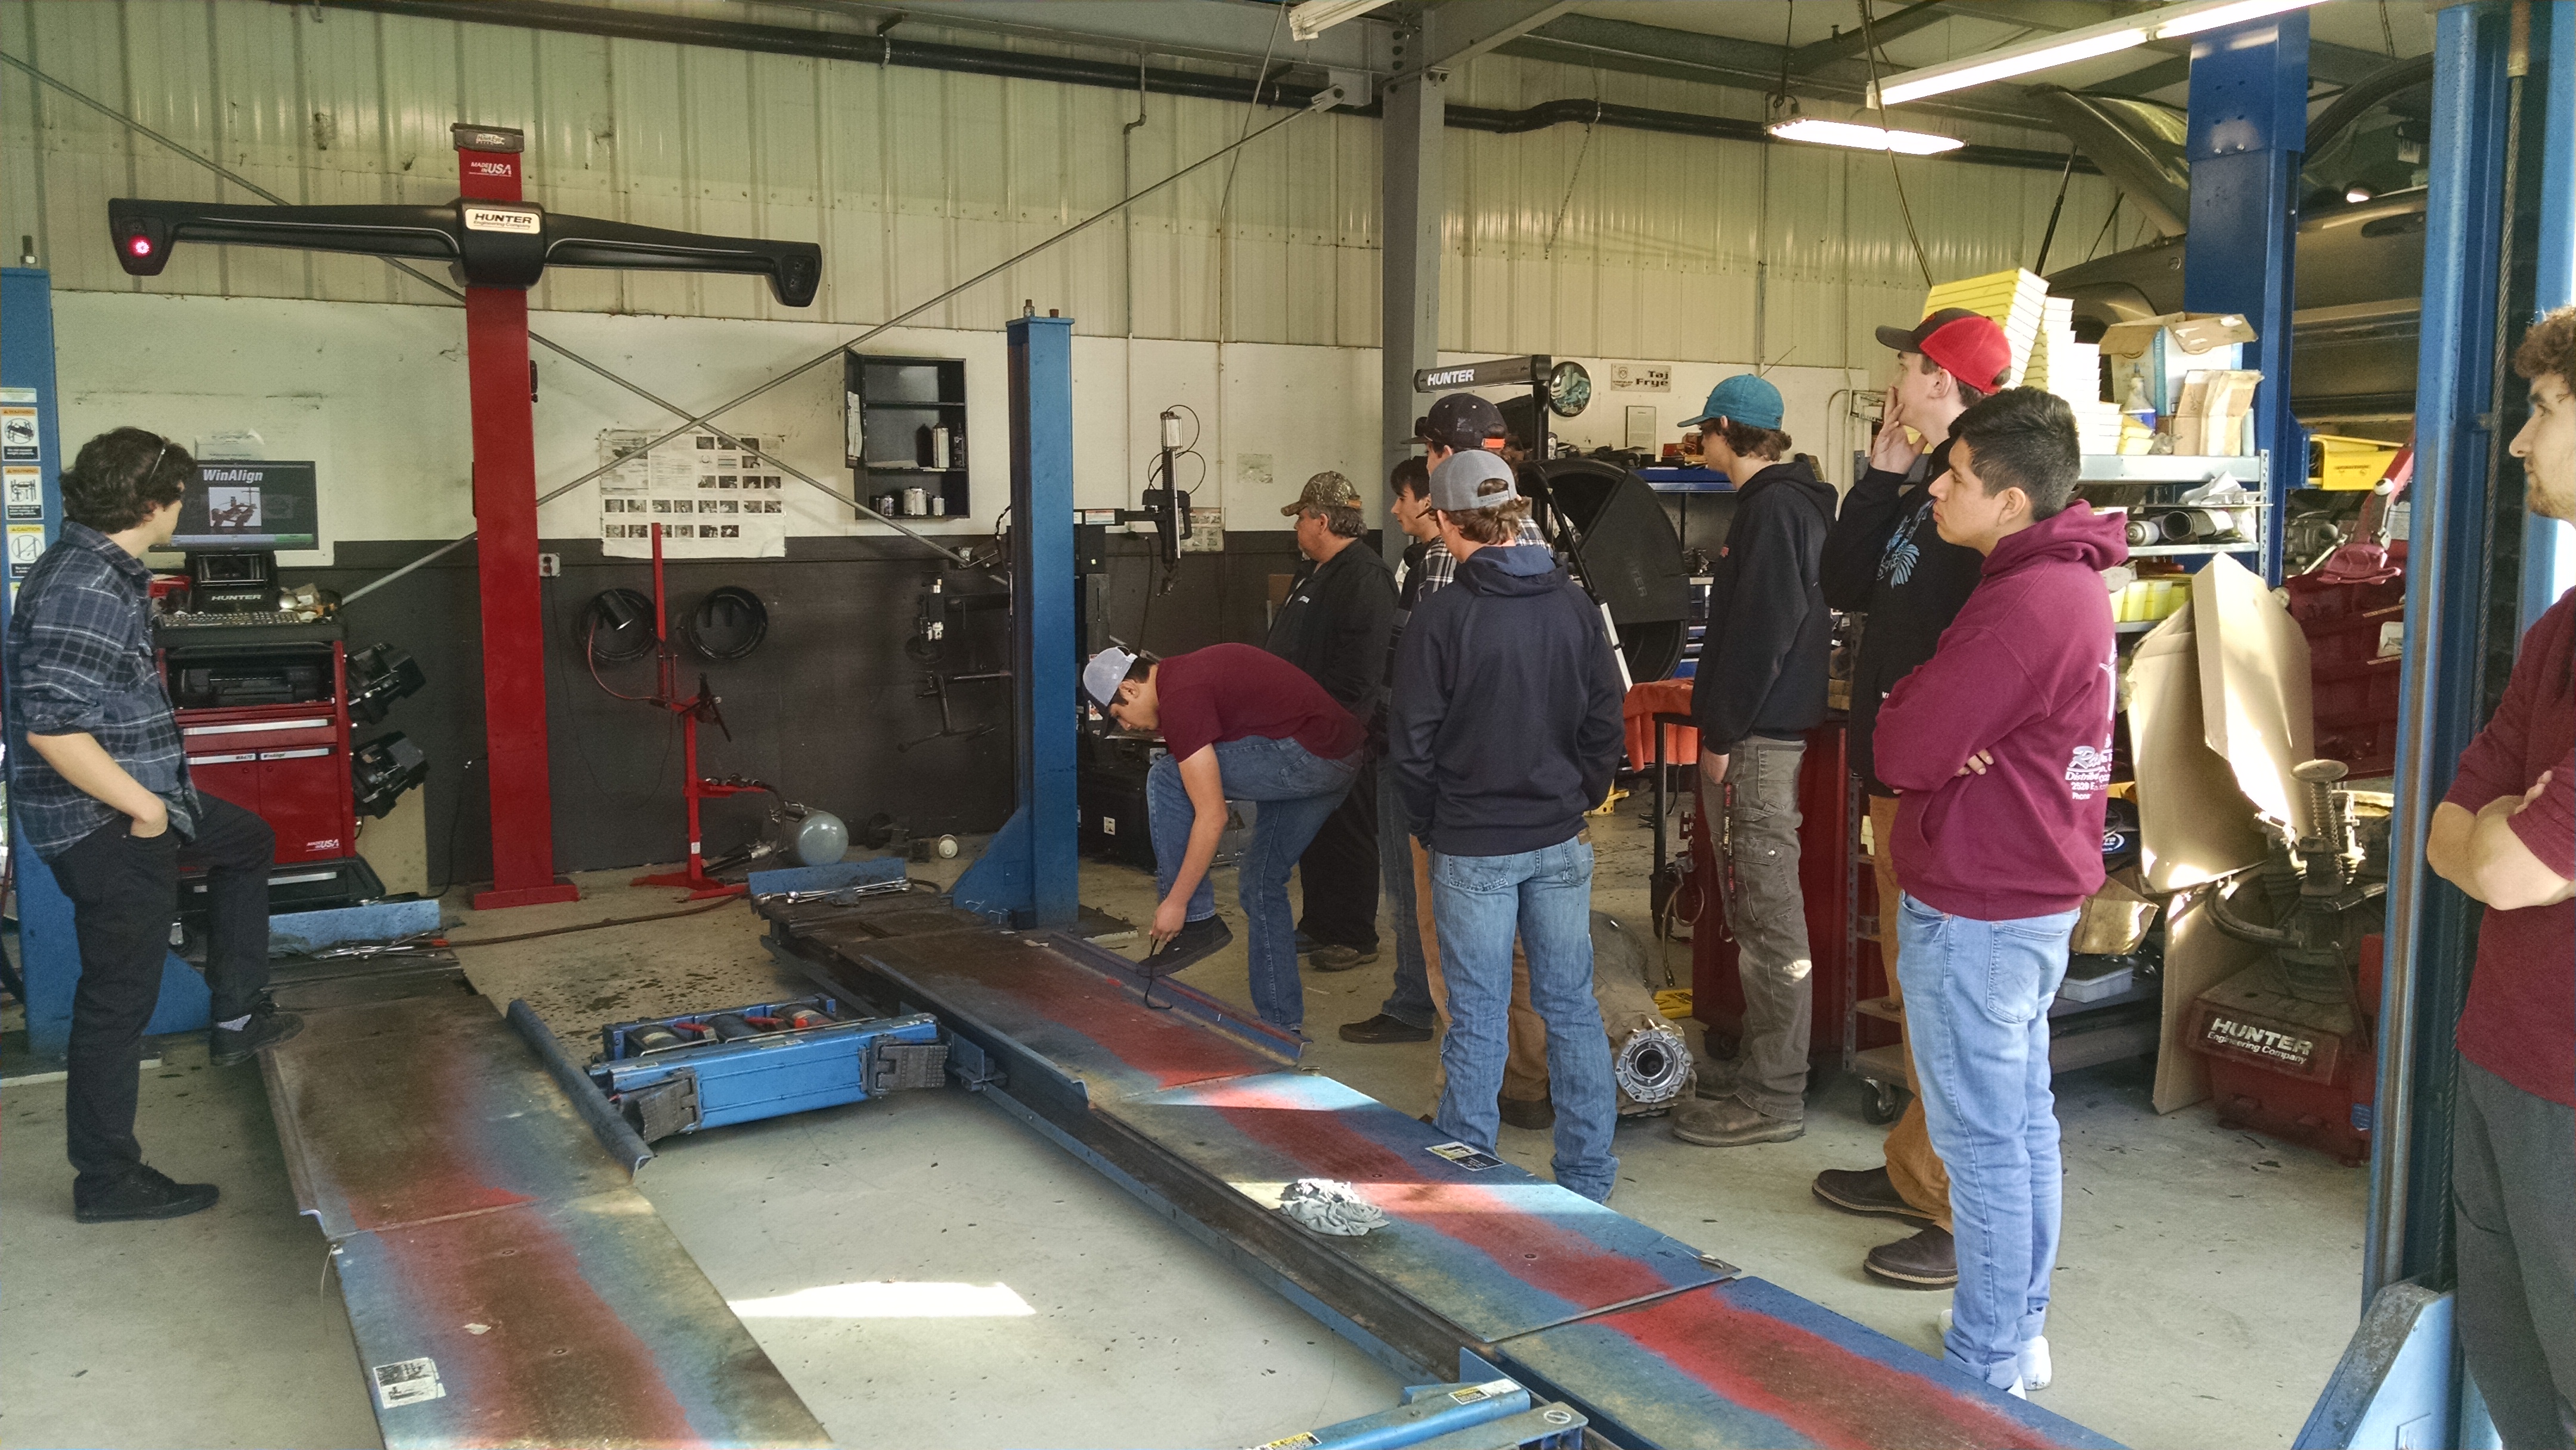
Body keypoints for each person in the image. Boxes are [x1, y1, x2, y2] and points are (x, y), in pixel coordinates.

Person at [1872, 388, 2122, 1396]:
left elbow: (1904, 745)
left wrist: (1917, 710)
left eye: (1958, 475)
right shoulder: (2065, 584)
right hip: (2025, 894)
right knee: (2018, 1129)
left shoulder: (2025, 605)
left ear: (2012, 501)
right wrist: (1948, 732)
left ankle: (1984, 1369)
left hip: (1980, 905)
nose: (1937, 486)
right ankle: (2016, 1333)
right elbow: (1941, 739)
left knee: (1982, 1146)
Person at [4, 428, 302, 1223]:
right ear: (148, 503)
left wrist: (155, 799)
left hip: (146, 797)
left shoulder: (102, 569)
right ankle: (107, 1180)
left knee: (247, 842)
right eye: (178, 496)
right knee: (118, 1000)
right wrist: (142, 811)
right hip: (105, 821)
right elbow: (52, 726)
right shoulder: (86, 587)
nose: (182, 508)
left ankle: (236, 1013)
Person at [1809, 309, 2014, 1289]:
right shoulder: (1926, 485)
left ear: (1942, 380)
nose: (1894, 375)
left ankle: (1955, 1210)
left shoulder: (1984, 499)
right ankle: (1914, 1168)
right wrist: (1878, 475)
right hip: (1895, 776)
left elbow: (1998, 641)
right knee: (1911, 984)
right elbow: (1846, 583)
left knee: (1948, 998)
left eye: (1908, 364)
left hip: (1940, 786)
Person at [1389, 450, 1626, 1202]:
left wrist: (1431, 823)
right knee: (1571, 1007)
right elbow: (1606, 720)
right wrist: (1577, 795)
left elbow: (1411, 743)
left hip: (1473, 842)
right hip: (1560, 836)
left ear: (1446, 520)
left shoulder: (1442, 616)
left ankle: (1467, 1179)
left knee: (1478, 1015)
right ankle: (1588, 1176)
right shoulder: (1575, 605)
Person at [2424, 305, 2574, 1449]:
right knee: (2513, 1363)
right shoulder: (2559, 632)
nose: (2520, 439)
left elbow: (2514, 867)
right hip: (2501, 1058)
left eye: (2547, 409)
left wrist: (2501, 832)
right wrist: (2498, 829)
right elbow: (2452, 826)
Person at [1668, 374, 1837, 1148]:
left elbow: (1760, 635)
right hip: (1762, 737)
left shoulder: (1772, 510)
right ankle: (1765, 1072)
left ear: (1725, 430)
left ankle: (1773, 1095)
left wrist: (1721, 735)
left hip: (1756, 744)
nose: (1697, 443)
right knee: (1754, 911)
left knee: (1767, 919)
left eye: (1702, 431)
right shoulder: (1787, 504)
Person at [1086, 642, 1362, 1035]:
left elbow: (1213, 816)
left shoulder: (1180, 696)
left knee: (1166, 777)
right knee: (1260, 883)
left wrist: (1177, 903)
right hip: (1338, 756)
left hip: (1309, 757)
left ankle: (1198, 922)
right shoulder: (1187, 676)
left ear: (1130, 688)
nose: (1127, 727)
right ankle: (1281, 1026)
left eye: (1119, 715)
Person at [1266, 471, 1396, 973]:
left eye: (1300, 518)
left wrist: (1337, 728)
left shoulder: (1364, 576)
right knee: (1316, 828)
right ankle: (1320, 922)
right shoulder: (1315, 571)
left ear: (1322, 521)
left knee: (1348, 830)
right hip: (1305, 727)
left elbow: (1360, 669)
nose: (1296, 527)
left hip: (1343, 731)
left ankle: (1354, 934)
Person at [1341, 458, 1439, 1046]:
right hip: (1399, 742)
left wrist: (1397, 737)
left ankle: (1414, 1004)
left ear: (1430, 501)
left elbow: (1420, 671)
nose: (1397, 509)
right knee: (1409, 886)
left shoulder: (1439, 569)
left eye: (1403, 498)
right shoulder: (1419, 564)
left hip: (1411, 751)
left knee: (1410, 886)